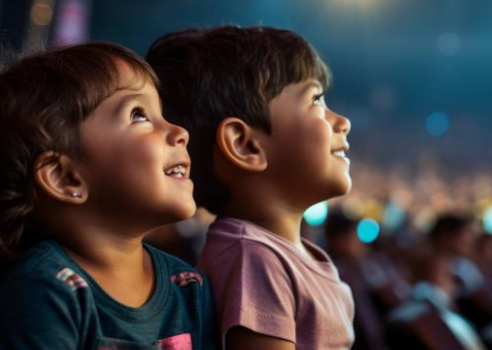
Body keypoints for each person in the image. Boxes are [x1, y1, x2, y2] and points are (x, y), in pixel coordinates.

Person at [0, 42, 216, 349]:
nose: (180, 131)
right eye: (139, 115)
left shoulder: (188, 286)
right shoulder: (43, 295)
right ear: (64, 178)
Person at [147, 26, 354, 350]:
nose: (343, 122)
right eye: (316, 100)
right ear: (245, 145)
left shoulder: (279, 254)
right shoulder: (253, 259)